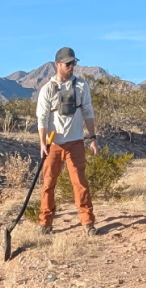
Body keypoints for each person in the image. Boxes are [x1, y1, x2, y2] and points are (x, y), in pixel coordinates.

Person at [36, 47, 100, 235]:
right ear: (58, 65)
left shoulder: (81, 86)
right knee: (48, 184)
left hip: (76, 143)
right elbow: (42, 118)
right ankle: (45, 223)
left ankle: (87, 222)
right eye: (68, 63)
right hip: (53, 144)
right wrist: (42, 143)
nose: (72, 66)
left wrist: (93, 138)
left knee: (80, 182)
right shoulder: (47, 89)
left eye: (74, 63)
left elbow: (88, 111)